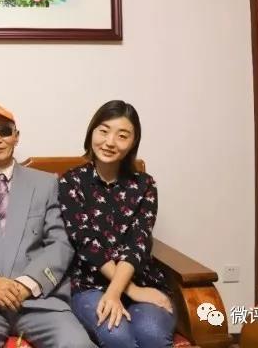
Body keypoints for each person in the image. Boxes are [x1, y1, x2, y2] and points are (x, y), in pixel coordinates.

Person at [0, 103, 94, 348]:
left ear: (16, 136)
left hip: (39, 300)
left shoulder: (47, 183)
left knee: (77, 344)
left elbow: (60, 243)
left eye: (5, 131)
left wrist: (27, 284)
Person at [58, 100, 175, 347]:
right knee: (117, 334)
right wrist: (127, 291)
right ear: (91, 132)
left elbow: (138, 242)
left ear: (133, 142)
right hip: (89, 285)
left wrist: (123, 290)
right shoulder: (71, 182)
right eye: (104, 131)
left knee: (152, 334)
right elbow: (86, 243)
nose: (110, 142)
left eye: (122, 135)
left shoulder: (145, 185)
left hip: (140, 279)